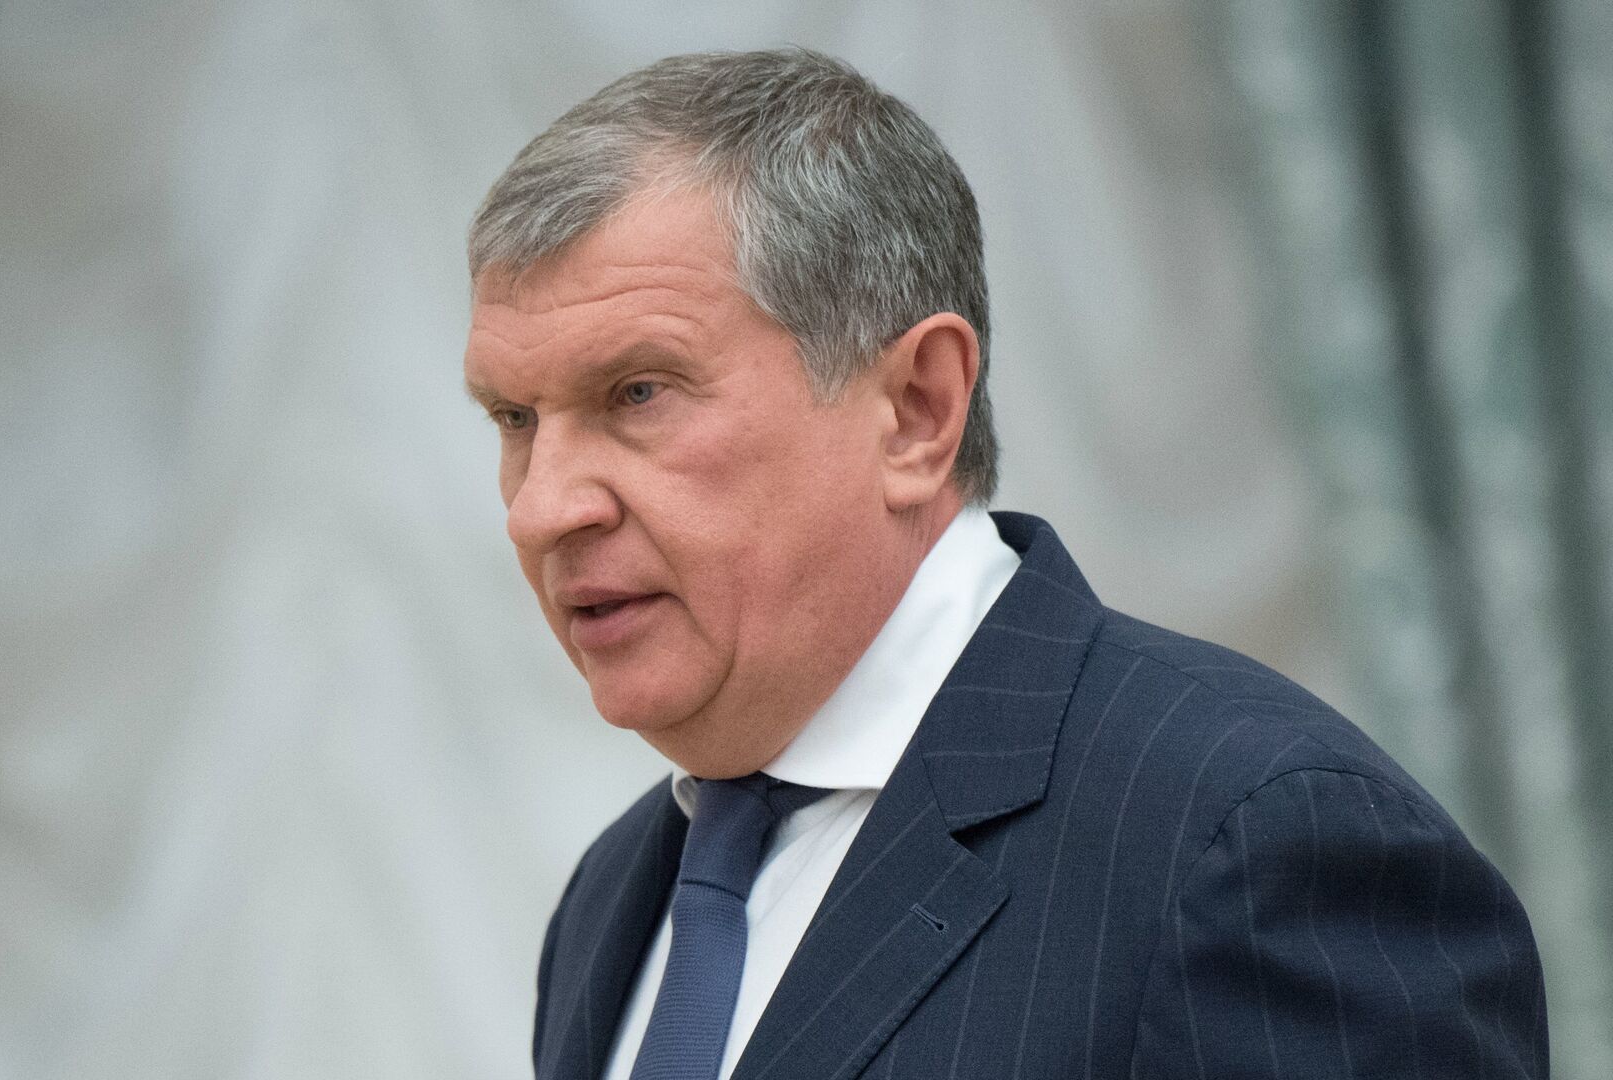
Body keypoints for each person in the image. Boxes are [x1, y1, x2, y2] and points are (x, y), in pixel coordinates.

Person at [461, 48, 1546, 1080]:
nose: (542, 510)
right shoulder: (615, 897)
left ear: (916, 409)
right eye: (515, 418)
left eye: (638, 393)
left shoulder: (1256, 841)